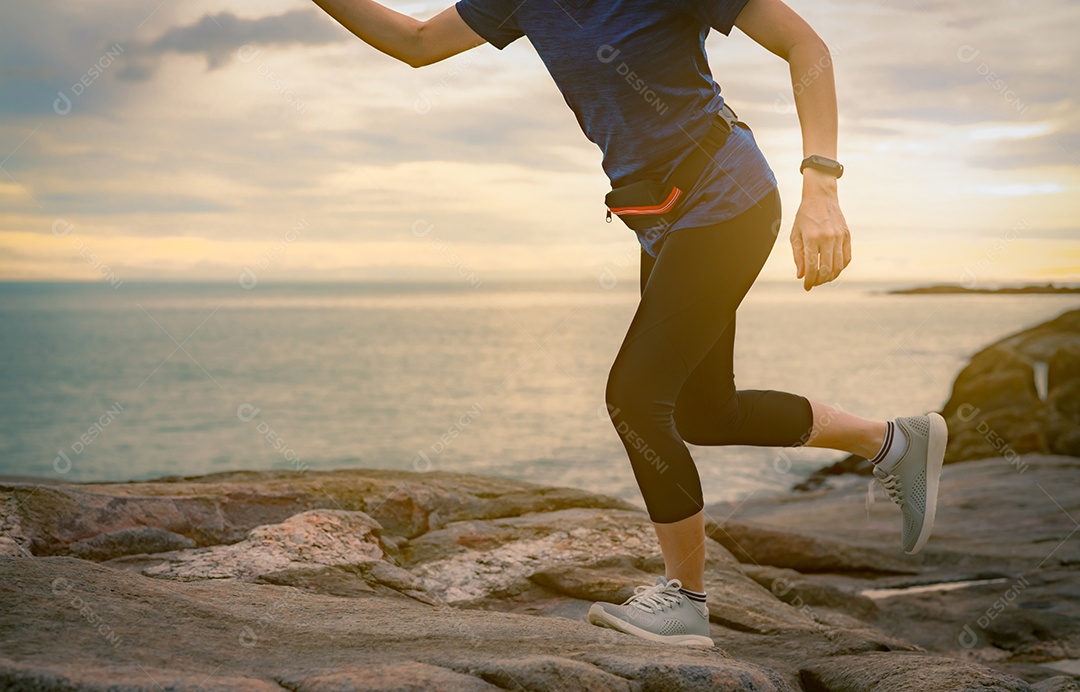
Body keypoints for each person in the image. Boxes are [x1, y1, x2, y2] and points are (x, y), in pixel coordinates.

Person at [310, 0, 949, 648]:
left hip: (726, 199)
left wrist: (822, 188)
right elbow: (415, 41)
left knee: (635, 398)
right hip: (660, 222)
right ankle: (893, 442)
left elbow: (806, 46)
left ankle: (686, 602)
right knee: (704, 414)